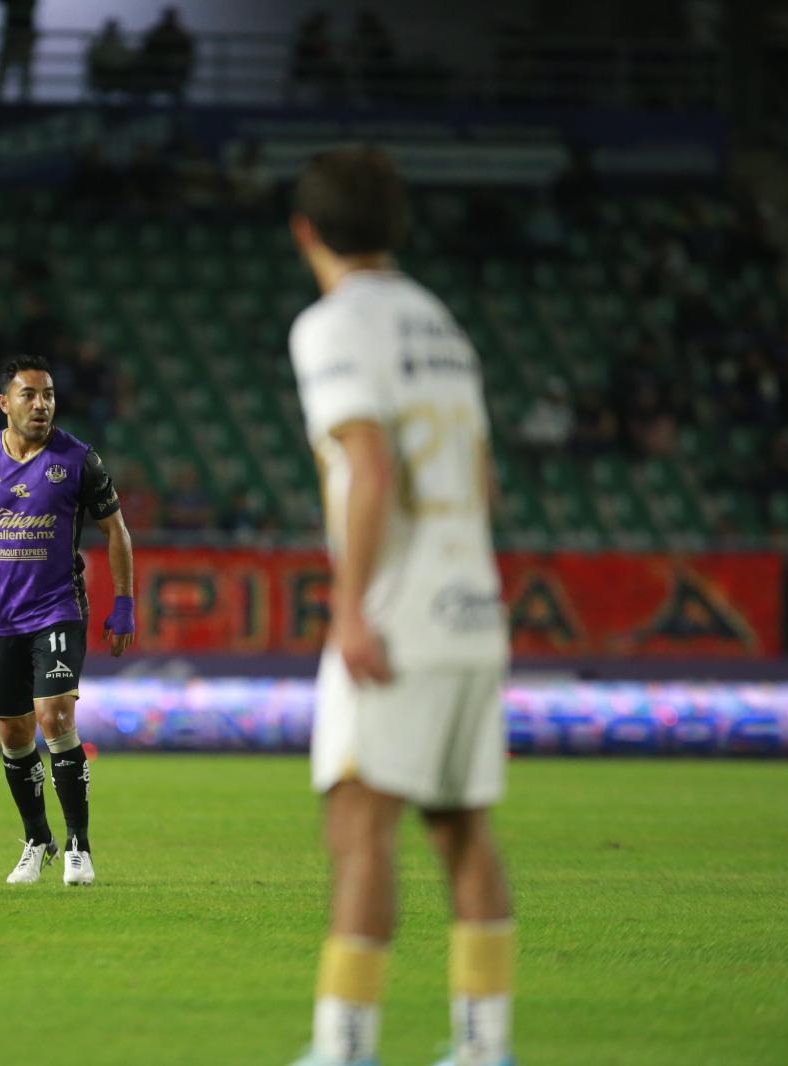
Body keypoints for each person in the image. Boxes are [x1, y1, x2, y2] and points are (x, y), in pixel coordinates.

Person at [285, 147, 514, 1066]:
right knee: (463, 829)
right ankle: (484, 1046)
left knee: (360, 825)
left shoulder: (334, 325)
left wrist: (348, 609)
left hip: (400, 614)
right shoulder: (440, 321)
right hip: (473, 606)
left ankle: (344, 1049)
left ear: (306, 232)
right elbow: (486, 482)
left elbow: (370, 462)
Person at [0, 355, 136, 887]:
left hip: (59, 610)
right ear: (5, 403)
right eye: (29, 394)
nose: (41, 404)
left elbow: (115, 530)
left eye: (48, 394)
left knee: (55, 718)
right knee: (12, 731)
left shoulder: (78, 459)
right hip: (3, 620)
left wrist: (123, 603)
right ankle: (37, 839)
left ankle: (79, 845)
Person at [0, 0, 38, 102]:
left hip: (15, 30)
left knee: (11, 67)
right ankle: (25, 97)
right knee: (23, 68)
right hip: (21, 30)